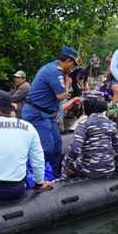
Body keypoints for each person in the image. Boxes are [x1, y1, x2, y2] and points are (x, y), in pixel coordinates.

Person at [22, 46, 79, 177]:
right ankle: (34, 176)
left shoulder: (56, 70)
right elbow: (61, 95)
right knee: (46, 148)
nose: (72, 68)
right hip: (36, 114)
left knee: (58, 145)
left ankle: (52, 175)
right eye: (72, 65)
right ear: (68, 61)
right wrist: (68, 87)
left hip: (47, 115)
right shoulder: (54, 71)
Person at [62, 94, 118, 179]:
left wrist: (66, 165)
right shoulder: (111, 124)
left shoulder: (84, 124)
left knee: (67, 165)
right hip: (109, 169)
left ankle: (63, 180)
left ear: (88, 107)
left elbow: (75, 149)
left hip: (88, 170)